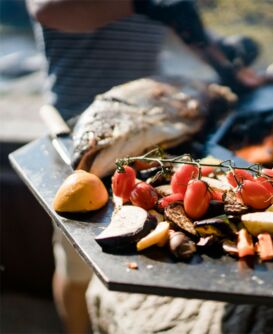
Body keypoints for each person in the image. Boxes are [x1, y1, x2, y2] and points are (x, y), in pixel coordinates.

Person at [27, 1, 261, 332]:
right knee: (76, 268)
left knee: (140, 255)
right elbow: (49, 9)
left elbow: (179, 22)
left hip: (156, 139)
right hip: (82, 143)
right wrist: (141, 1)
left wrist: (220, 51)